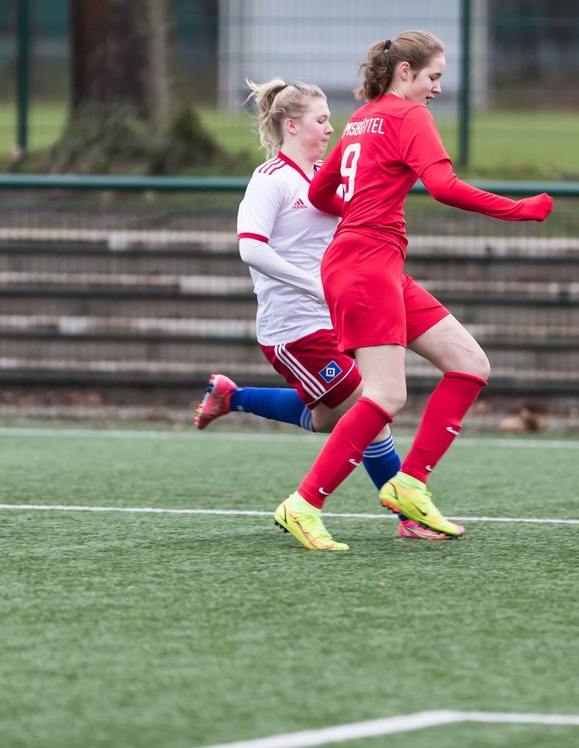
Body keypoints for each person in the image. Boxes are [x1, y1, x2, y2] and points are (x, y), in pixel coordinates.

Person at [273, 30, 554, 551]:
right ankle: (304, 504)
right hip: (365, 268)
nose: (438, 89)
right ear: (406, 72)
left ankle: (410, 483)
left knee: (470, 363)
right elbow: (444, 188)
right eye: (433, 77)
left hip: (372, 264)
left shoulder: (360, 120)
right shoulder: (408, 116)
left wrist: (359, 216)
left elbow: (318, 191)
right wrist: (520, 209)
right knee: (386, 394)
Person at [194, 78, 448, 542]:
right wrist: (317, 286)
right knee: (369, 407)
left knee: (330, 417)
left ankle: (231, 396)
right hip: (294, 330)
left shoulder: (324, 177)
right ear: (292, 125)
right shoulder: (270, 179)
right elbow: (252, 249)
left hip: (335, 316)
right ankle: (405, 516)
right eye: (321, 120)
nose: (331, 129)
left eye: (331, 119)